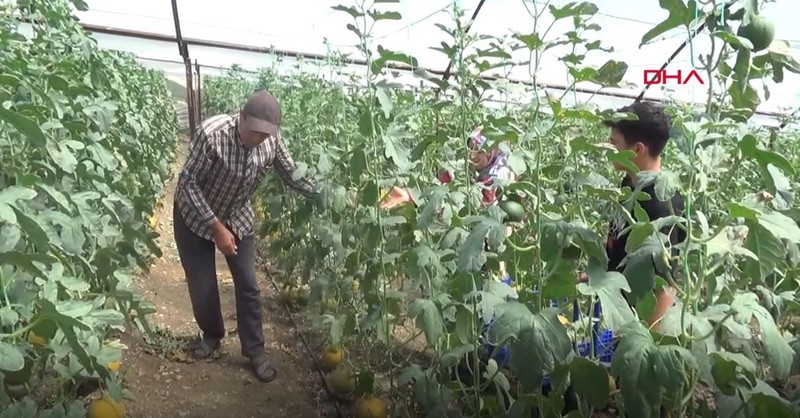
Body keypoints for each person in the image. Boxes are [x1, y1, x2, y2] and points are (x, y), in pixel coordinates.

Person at [172, 90, 316, 383]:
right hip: (195, 215)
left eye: (266, 135)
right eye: (255, 133)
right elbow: (187, 184)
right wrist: (216, 227)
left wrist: (338, 197)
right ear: (241, 118)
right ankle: (212, 335)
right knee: (203, 285)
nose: (260, 140)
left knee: (249, 285)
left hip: (237, 215)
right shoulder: (212, 135)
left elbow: (292, 175)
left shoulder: (271, 141)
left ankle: (255, 352)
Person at [579, 100, 686, 331]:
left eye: (613, 143)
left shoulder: (663, 206)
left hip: (637, 320)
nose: (608, 148)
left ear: (637, 149)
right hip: (618, 306)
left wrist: (644, 342)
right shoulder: (630, 180)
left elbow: (666, 287)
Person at [380, 125, 516, 210]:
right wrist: (409, 196)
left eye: (479, 149)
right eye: (470, 148)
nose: (472, 155)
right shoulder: (457, 169)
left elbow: (515, 208)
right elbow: (435, 189)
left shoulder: (504, 174)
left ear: (490, 150)